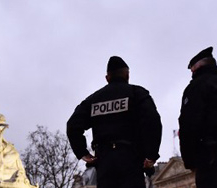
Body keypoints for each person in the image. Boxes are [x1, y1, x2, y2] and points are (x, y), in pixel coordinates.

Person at [67, 56, 162, 188]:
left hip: (104, 161)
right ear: (127, 75)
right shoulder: (136, 94)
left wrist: (83, 153)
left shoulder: (94, 100)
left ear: (107, 78)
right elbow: (152, 121)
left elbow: (73, 125)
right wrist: (151, 155)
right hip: (131, 158)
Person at [179, 47, 217, 188]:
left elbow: (189, 124)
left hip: (209, 156)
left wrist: (190, 161)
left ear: (197, 67)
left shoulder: (197, 87)